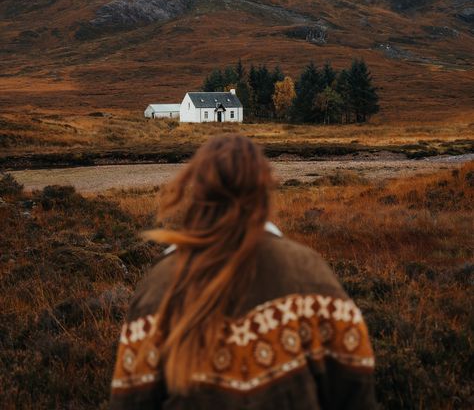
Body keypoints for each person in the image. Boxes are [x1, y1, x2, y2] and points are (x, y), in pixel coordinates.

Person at [109, 134, 376, 409]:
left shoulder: (158, 286)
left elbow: (130, 399)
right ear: (264, 189)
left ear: (197, 191)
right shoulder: (309, 272)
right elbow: (356, 387)